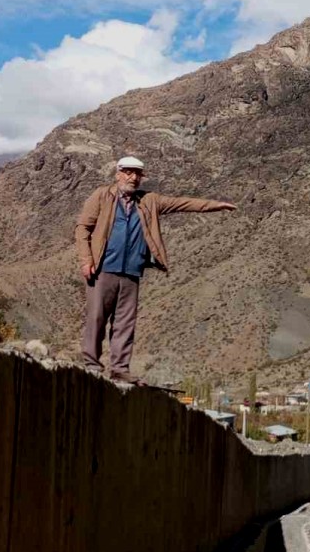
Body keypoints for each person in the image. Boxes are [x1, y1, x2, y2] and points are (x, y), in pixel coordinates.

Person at [75, 156, 236, 384]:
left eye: (137, 174)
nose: (133, 178)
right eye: (128, 172)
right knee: (97, 318)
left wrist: (215, 205)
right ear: (118, 173)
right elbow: (83, 228)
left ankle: (120, 369)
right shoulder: (102, 196)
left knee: (125, 323)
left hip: (132, 272)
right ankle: (92, 364)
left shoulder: (149, 200)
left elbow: (182, 203)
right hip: (103, 269)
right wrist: (85, 260)